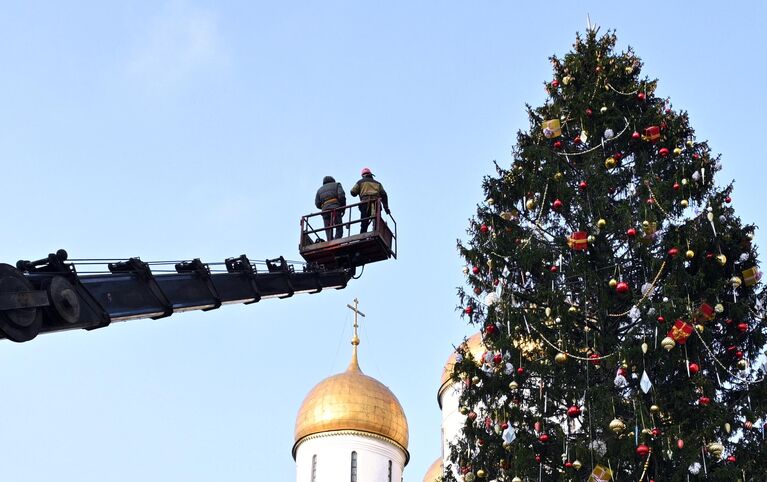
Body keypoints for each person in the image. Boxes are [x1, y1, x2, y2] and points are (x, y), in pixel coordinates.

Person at [350, 167, 389, 233]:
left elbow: (353, 192)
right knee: (377, 221)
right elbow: (384, 195)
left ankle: (362, 236)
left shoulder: (360, 182)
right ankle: (377, 232)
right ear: (371, 174)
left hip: (365, 203)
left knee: (364, 222)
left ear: (363, 175)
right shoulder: (378, 183)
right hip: (376, 203)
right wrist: (386, 208)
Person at [314, 176, 346, 241]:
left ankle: (330, 241)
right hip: (335, 209)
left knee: (328, 229)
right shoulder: (337, 185)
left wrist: (324, 206)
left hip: (325, 211)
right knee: (339, 228)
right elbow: (341, 196)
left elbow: (317, 204)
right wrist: (343, 208)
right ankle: (337, 241)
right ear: (332, 180)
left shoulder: (319, 190)